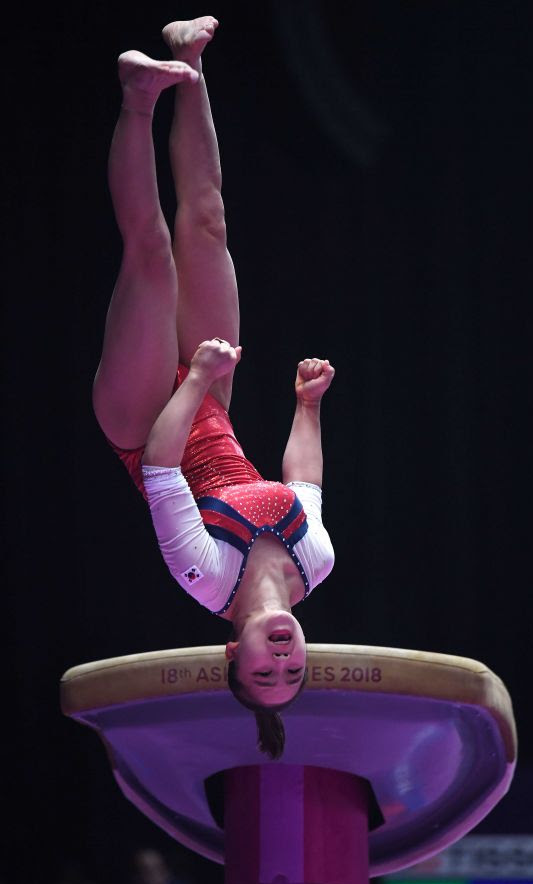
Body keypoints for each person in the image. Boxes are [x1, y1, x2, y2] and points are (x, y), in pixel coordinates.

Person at [93, 17, 335, 758]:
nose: (284, 658)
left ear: (235, 654)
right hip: (212, 402)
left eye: (267, 672)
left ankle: (137, 99)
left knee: (153, 256)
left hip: (143, 425)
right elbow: (303, 483)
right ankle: (190, 63)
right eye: (294, 670)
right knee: (205, 222)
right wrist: (306, 405)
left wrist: (197, 375)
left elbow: (164, 466)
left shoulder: (205, 576)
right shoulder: (315, 561)